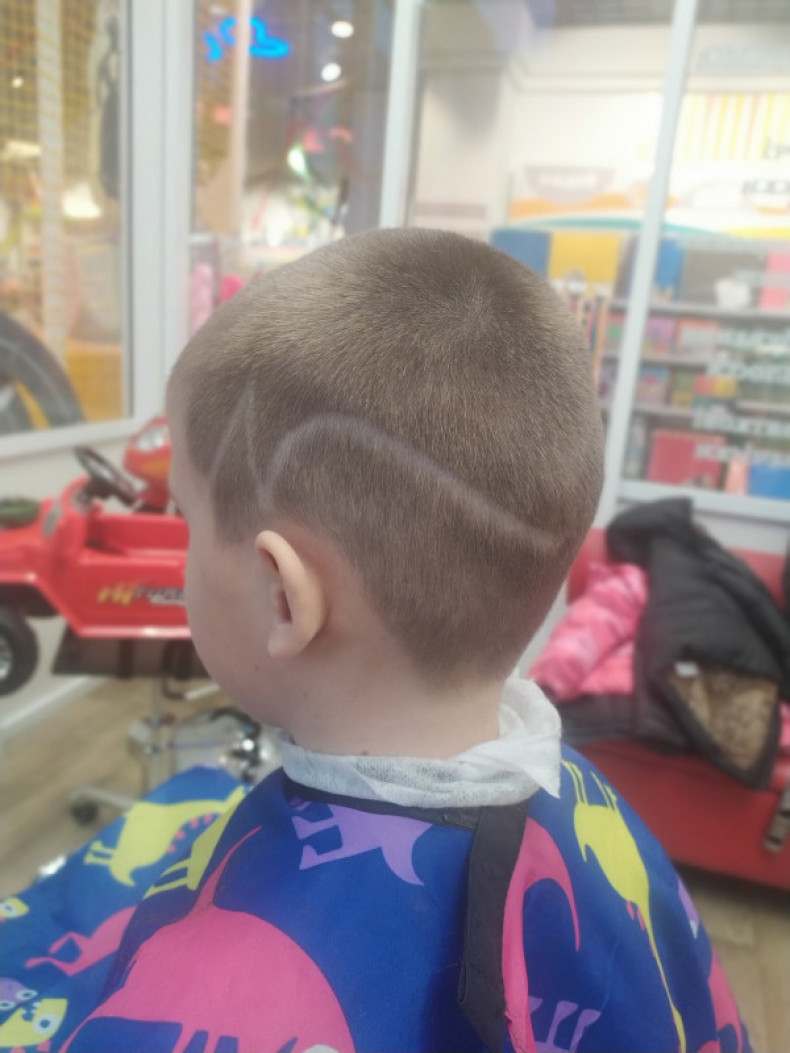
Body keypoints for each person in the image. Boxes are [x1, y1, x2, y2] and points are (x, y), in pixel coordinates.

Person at [65, 230, 748, 1053]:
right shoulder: (593, 808)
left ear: (284, 597)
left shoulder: (212, 1003)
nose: (180, 549)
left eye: (185, 517)